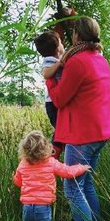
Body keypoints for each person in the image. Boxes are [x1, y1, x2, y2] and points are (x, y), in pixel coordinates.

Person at [46, 16, 110, 221]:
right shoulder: (100, 59)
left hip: (82, 134)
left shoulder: (77, 63)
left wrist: (49, 79)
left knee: (72, 188)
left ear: (77, 36)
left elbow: (59, 99)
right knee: (85, 183)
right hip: (100, 132)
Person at [12, 129, 90, 221]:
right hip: (43, 208)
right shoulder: (50, 162)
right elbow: (67, 172)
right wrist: (82, 167)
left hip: (27, 207)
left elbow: (17, 182)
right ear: (46, 147)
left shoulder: (23, 164)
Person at [33, 31, 65, 159]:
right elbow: (46, 74)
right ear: (58, 47)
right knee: (61, 131)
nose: (63, 44)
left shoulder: (57, 58)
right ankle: (50, 157)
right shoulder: (49, 61)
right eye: (61, 42)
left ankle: (52, 156)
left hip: (57, 102)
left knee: (61, 131)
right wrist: (58, 64)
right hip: (52, 104)